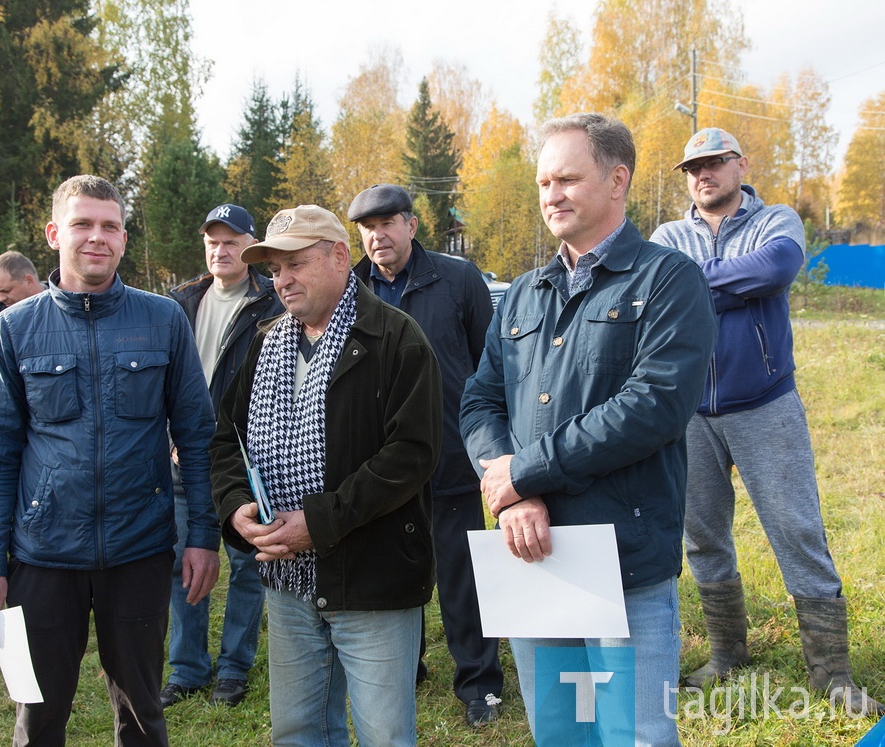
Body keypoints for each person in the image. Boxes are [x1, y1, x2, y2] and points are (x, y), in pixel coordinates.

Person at [460, 113, 717, 746]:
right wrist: (515, 488)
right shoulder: (522, 294)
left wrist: (526, 472)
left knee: (635, 734)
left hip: (621, 558)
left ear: (617, 179)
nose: (551, 195)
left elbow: (651, 407)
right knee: (562, 733)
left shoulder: (667, 281)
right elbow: (478, 402)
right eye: (544, 182)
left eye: (568, 179)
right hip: (530, 552)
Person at [0, 175, 220, 746]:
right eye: (82, 224)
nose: (96, 238)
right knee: (36, 718)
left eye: (109, 226)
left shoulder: (163, 321)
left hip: (139, 552)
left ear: (124, 239)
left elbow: (198, 438)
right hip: (42, 557)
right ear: (55, 233)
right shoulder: (13, 330)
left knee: (143, 719)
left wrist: (202, 535)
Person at [650, 127, 884, 715]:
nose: (704, 175)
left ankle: (832, 672)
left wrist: (691, 286)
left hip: (766, 403)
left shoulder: (776, 220)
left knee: (796, 527)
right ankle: (727, 653)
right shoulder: (668, 234)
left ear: (740, 165)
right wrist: (727, 282)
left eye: (715, 163)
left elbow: (775, 270)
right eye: (693, 168)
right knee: (701, 533)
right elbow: (655, 295)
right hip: (688, 413)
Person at [211, 204, 442, 746]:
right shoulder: (266, 342)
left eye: (295, 263)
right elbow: (227, 437)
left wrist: (319, 522)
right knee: (298, 731)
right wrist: (235, 504)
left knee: (385, 735)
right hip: (288, 583)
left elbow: (412, 454)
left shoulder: (396, 339)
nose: (283, 280)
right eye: (274, 269)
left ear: (340, 257)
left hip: (373, 579)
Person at [348, 184, 503, 727]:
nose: (377, 235)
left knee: (463, 577)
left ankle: (480, 684)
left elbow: (491, 364)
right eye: (367, 227)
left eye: (387, 222)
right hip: (381, 467)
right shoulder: (352, 289)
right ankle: (403, 667)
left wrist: (490, 444)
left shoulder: (458, 279)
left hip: (451, 456)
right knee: (391, 574)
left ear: (412, 225)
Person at [161, 204, 283, 708]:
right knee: (183, 564)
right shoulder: (179, 303)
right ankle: (187, 669)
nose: (221, 249)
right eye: (213, 240)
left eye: (231, 240)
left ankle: (234, 667)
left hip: (244, 460)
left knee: (246, 564)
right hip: (183, 458)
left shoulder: (272, 303)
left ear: (250, 247)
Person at [0, 250, 45, 316]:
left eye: (6, 291)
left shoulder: (57, 306)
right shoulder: (2, 319)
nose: (1, 299)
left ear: (29, 281)